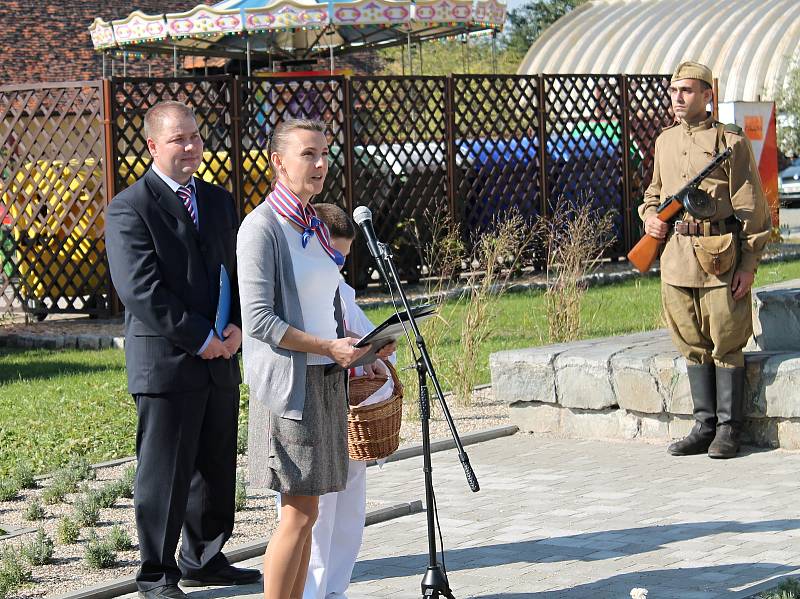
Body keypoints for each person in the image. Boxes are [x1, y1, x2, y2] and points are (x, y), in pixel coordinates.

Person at [105, 101, 261, 599]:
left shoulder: (218, 201)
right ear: (153, 146)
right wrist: (201, 337)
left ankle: (205, 558)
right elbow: (141, 291)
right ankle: (156, 574)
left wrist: (236, 325)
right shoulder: (130, 207)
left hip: (221, 357)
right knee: (167, 473)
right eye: (178, 139)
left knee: (216, 466)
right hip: (168, 364)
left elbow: (234, 271)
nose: (191, 146)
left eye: (195, 137)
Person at [237, 119, 393, 599]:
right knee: (299, 513)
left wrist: (362, 344)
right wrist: (328, 348)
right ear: (278, 162)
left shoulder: (314, 227)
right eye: (308, 154)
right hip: (291, 389)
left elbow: (329, 304)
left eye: (324, 153)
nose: (321, 163)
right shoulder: (262, 229)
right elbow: (260, 320)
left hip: (328, 382)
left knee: (311, 511)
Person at [639, 61, 771, 459]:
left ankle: (729, 430)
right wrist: (649, 220)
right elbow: (652, 195)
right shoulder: (664, 141)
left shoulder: (730, 142)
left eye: (688, 90)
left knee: (727, 343)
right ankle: (704, 425)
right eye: (674, 90)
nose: (678, 98)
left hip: (720, 258)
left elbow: (752, 208)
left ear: (708, 95)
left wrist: (747, 266)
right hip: (677, 260)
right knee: (691, 344)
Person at [300, 202, 394, 599]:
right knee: (316, 513)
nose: (339, 263)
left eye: (344, 257)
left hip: (350, 407)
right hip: (312, 402)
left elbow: (359, 327)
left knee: (350, 507)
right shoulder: (300, 284)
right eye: (333, 254)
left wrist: (378, 348)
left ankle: (337, 588)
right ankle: (311, 591)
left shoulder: (339, 287)